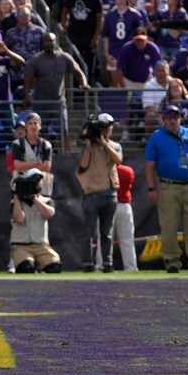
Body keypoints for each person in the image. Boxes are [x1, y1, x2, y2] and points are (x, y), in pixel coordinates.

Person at [144, 104, 188, 273]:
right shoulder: (156, 137)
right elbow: (149, 166)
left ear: (180, 118)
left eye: (175, 116)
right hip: (167, 187)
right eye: (169, 117)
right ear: (163, 119)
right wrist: (151, 189)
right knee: (169, 225)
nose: (172, 120)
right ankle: (172, 261)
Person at [76, 113, 123, 272]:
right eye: (103, 128)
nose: (106, 130)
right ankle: (87, 263)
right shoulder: (89, 146)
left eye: (108, 127)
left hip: (110, 194)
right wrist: (89, 144)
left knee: (107, 233)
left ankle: (107, 264)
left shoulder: (115, 146)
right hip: (92, 193)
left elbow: (117, 159)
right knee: (88, 231)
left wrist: (103, 143)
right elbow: (82, 164)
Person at [9, 168, 61, 274]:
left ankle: (42, 266)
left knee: (54, 268)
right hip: (21, 245)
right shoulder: (15, 202)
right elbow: (19, 218)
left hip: (41, 245)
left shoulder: (46, 201)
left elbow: (48, 214)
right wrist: (16, 195)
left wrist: (34, 197)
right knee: (26, 268)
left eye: (38, 181)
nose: (37, 184)